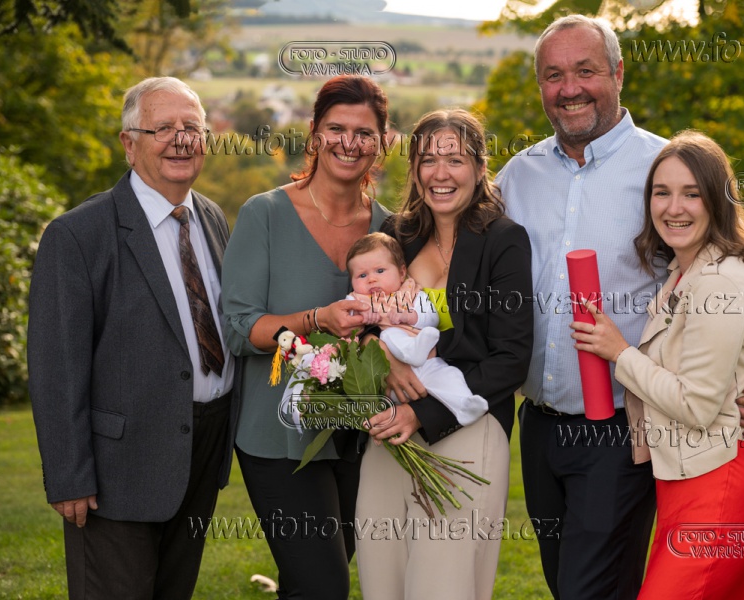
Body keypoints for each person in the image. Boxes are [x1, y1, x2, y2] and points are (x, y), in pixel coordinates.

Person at [495, 14, 744, 599]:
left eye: (585, 71)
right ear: (540, 86)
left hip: (621, 427)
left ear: (618, 73)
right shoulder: (518, 176)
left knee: (591, 589)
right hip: (537, 427)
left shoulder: (668, 170)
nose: (569, 88)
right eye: (553, 75)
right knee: (564, 582)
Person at [27, 76, 238, 599]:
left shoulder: (211, 217)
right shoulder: (78, 235)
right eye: (162, 128)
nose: (180, 139)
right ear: (129, 143)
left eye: (191, 127)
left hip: (201, 450)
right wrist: (69, 476)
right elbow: (56, 366)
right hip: (119, 468)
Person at [571, 130, 744, 597]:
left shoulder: (719, 283)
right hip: (681, 490)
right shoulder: (683, 274)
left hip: (720, 490)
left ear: (718, 202)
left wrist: (619, 352)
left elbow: (697, 405)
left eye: (692, 194)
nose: (673, 207)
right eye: (661, 193)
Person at [221, 74, 391, 599]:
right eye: (336, 128)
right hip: (279, 438)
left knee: (313, 580)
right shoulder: (266, 214)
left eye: (364, 132)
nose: (348, 142)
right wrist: (315, 320)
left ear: (382, 143)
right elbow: (239, 328)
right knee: (324, 586)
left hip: (360, 439)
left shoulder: (391, 230)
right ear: (315, 134)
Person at [355, 109, 534, 600]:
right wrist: (377, 351)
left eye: (455, 160)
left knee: (441, 583)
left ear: (479, 168)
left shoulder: (504, 241)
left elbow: (511, 358)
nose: (441, 173)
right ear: (414, 169)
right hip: (389, 427)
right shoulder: (397, 233)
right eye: (428, 160)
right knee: (381, 574)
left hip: (467, 423)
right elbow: (363, 316)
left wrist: (424, 413)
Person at [346, 232, 489, 425]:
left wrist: (410, 316)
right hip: (391, 375)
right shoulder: (356, 300)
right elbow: (346, 326)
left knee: (448, 374)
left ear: (401, 273)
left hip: (426, 362)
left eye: (380, 271)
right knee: (391, 334)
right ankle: (412, 351)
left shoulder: (411, 293)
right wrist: (363, 318)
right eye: (362, 275)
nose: (371, 279)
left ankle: (464, 405)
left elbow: (432, 316)